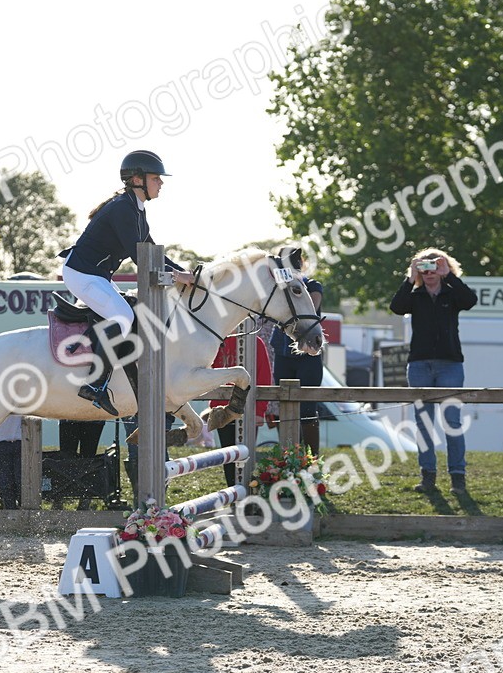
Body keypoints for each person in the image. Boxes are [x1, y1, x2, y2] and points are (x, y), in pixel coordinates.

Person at [59, 150, 196, 416]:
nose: (161, 183)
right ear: (137, 180)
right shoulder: (123, 208)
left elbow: (152, 251)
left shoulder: (136, 209)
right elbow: (139, 257)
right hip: (81, 273)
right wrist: (178, 277)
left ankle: (127, 386)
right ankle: (94, 384)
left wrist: (185, 272)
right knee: (123, 316)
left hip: (95, 274)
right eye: (155, 178)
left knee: (130, 313)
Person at [389, 248, 478, 497]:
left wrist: (448, 276)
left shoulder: (452, 293)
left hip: (450, 364)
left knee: (452, 422)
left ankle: (458, 477)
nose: (429, 273)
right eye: (424, 268)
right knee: (423, 423)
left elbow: (470, 301)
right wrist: (410, 278)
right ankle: (427, 475)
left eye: (434, 267)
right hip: (420, 364)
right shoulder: (415, 296)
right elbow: (396, 307)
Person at [268, 247, 324, 456]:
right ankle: (288, 457)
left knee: (308, 408)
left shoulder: (312, 285)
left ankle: (312, 458)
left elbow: (310, 310)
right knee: (285, 407)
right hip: (283, 353)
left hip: (307, 354)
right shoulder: (275, 288)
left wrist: (293, 281)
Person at [211, 335, 273, 487]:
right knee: (227, 456)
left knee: (246, 456)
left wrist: (259, 411)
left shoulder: (255, 343)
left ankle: (246, 490)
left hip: (249, 409)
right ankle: (233, 491)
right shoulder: (216, 340)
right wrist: (214, 404)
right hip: (222, 409)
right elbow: (209, 372)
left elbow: (264, 377)